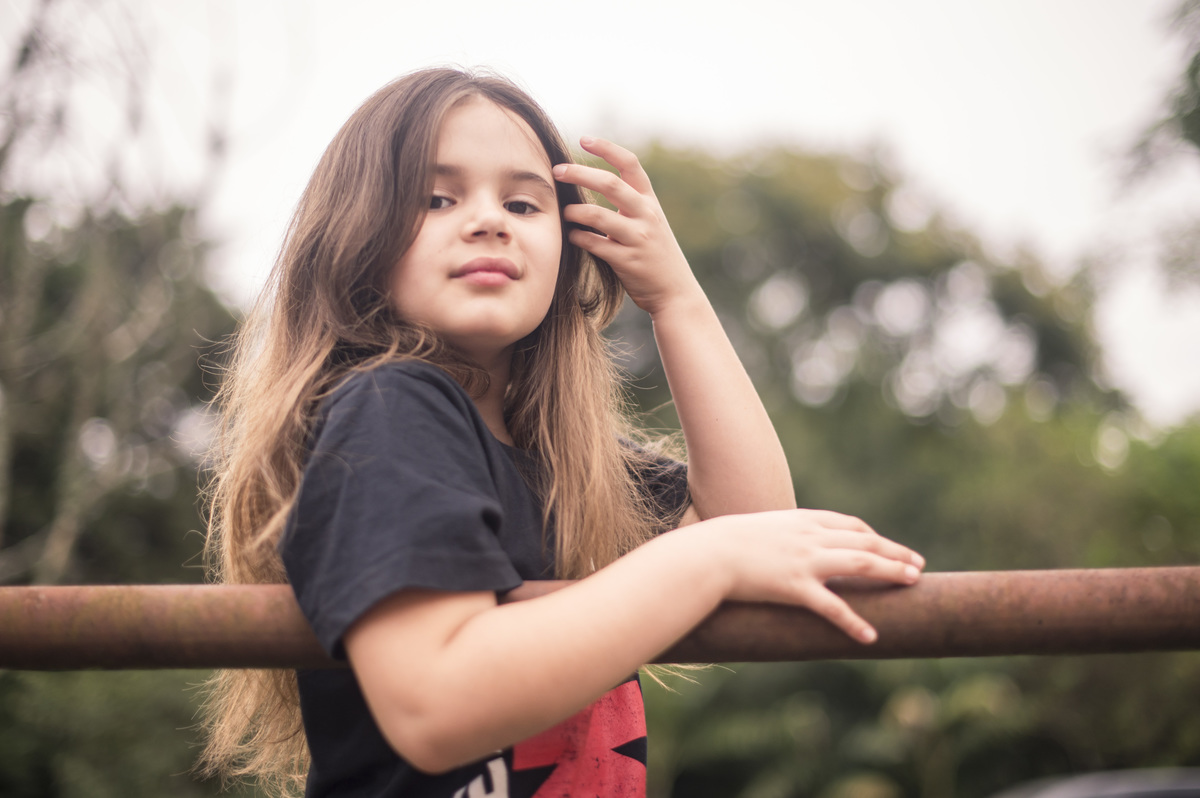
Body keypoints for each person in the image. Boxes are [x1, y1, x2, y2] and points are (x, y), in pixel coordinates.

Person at [198, 67, 925, 798]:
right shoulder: (391, 409)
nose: (490, 221)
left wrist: (677, 299)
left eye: (522, 203)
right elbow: (433, 705)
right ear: (356, 235)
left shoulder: (559, 463)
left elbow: (757, 528)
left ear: (570, 251)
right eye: (438, 198)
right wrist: (709, 560)